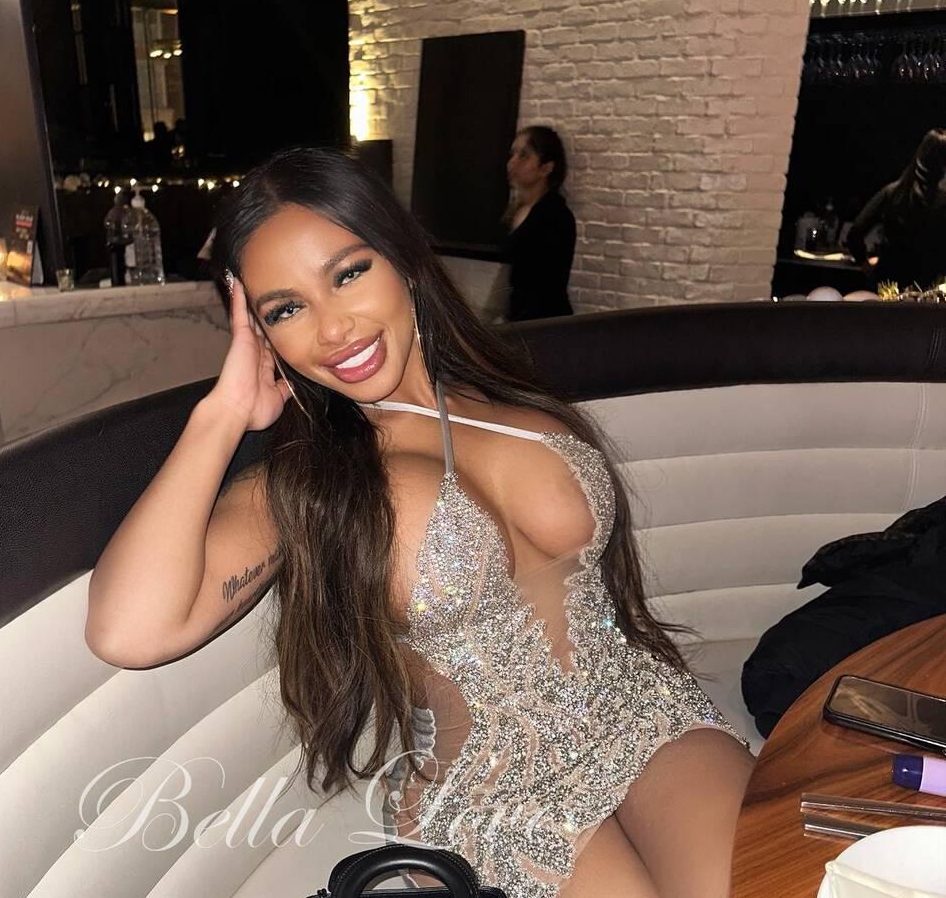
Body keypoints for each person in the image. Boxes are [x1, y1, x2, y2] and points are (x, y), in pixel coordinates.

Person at [84, 147, 753, 898]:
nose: (334, 329)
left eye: (347, 273)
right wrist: (224, 412)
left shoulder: (512, 400)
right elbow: (130, 631)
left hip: (640, 709)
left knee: (769, 883)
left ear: (401, 256)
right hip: (495, 785)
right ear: (261, 335)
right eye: (286, 309)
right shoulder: (311, 482)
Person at [845, 128, 946, 291]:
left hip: (888, 284)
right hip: (931, 288)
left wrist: (864, 263)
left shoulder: (893, 192)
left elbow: (855, 233)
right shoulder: (942, 199)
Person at [504, 126, 577, 321]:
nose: (512, 162)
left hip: (545, 322)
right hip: (520, 320)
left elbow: (545, 286)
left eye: (524, 156)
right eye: (513, 154)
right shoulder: (516, 211)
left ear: (546, 167)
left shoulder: (556, 216)